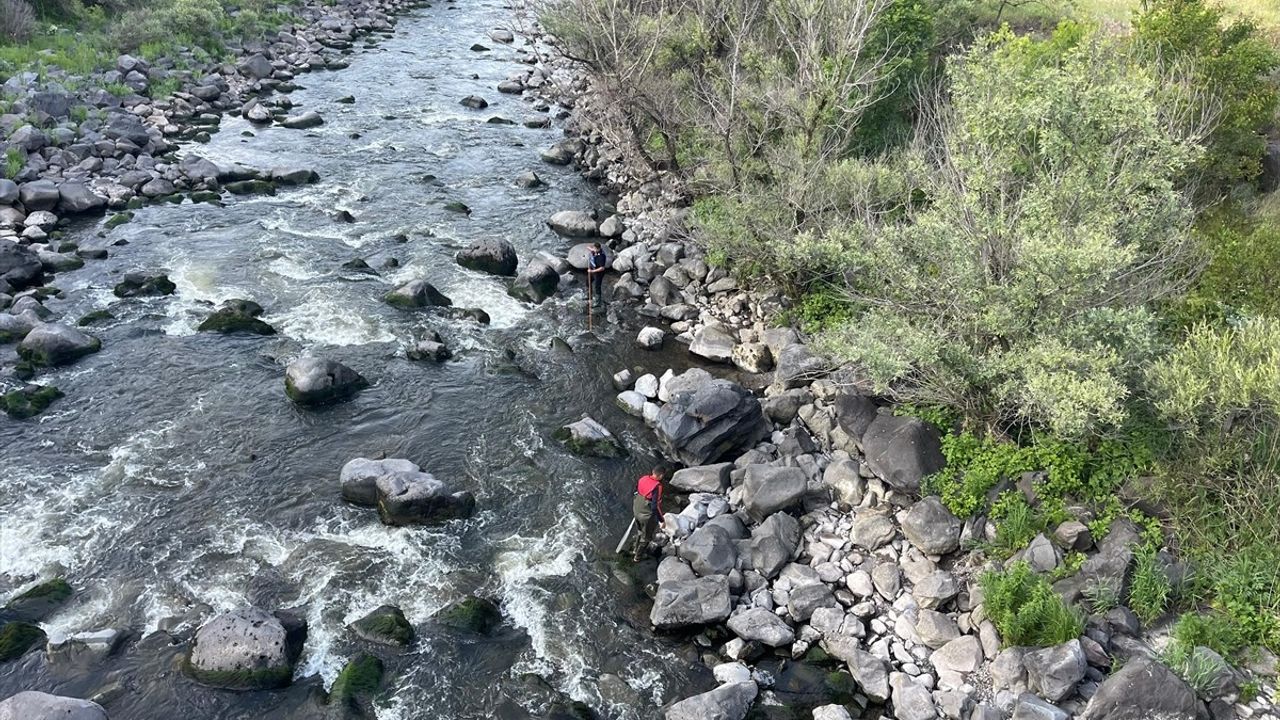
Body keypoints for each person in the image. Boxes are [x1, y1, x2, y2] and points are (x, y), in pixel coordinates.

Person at [631, 466, 666, 561]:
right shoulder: (657, 486)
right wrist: (661, 520)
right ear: (661, 475)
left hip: (637, 507)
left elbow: (636, 490)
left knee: (640, 531)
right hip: (646, 514)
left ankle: (635, 549)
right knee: (646, 537)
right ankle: (638, 556)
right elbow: (655, 506)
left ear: (653, 472)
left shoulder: (643, 478)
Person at [586, 242, 607, 307]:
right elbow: (588, 247)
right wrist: (591, 249)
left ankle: (598, 302)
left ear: (598, 249)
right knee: (588, 282)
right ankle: (589, 295)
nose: (594, 249)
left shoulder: (601, 256)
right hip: (592, 270)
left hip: (598, 273)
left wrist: (592, 271)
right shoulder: (594, 251)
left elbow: (602, 268)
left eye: (595, 249)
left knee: (597, 286)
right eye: (594, 248)